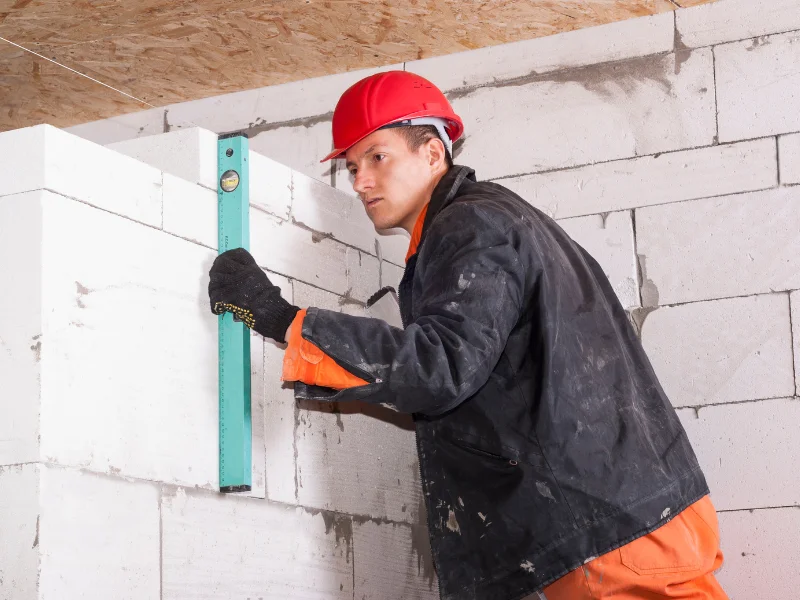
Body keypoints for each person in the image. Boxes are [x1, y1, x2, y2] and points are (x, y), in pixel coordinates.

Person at [208, 71, 728, 600]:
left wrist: (278, 317)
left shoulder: (471, 225)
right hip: (635, 516)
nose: (360, 180)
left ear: (433, 153)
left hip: (607, 535)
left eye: (377, 157)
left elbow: (441, 365)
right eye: (352, 167)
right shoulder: (502, 221)